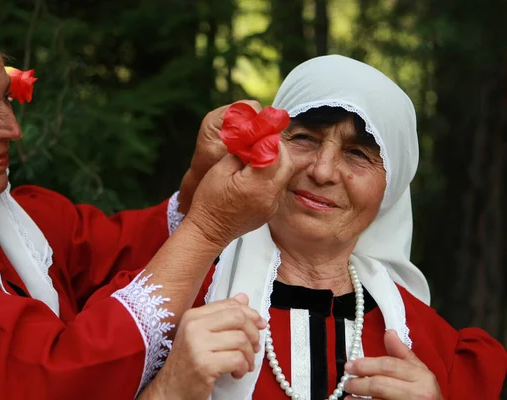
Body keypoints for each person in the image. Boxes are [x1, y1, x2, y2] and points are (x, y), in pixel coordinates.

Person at [0, 3, 295, 399]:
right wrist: (208, 228)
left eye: (6, 98)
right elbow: (58, 377)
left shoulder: (16, 218)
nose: (12, 128)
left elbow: (117, 251)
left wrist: (200, 181)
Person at [143, 55, 507, 399]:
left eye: (357, 154)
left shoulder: (434, 349)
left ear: (391, 189)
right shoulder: (171, 304)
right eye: (304, 138)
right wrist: (168, 389)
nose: (322, 171)